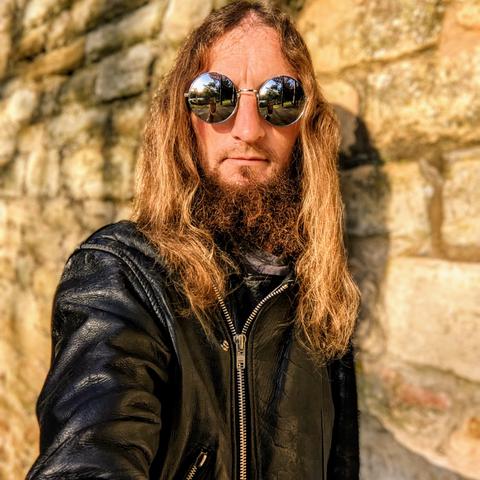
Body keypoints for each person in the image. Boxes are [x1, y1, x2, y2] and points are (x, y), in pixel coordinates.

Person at [26, 1, 360, 479]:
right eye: (215, 96)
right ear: (183, 120)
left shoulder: (321, 294)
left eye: (280, 98)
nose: (248, 130)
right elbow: (92, 443)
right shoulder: (121, 275)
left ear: (306, 126)